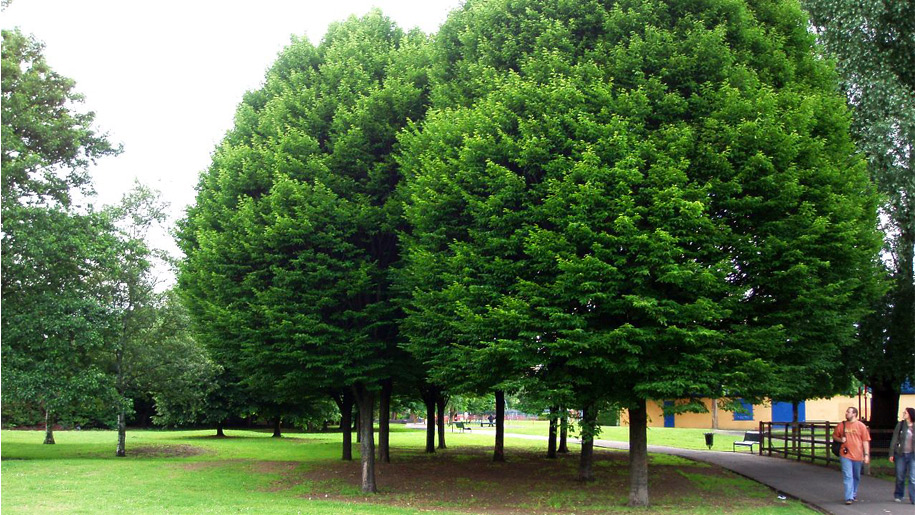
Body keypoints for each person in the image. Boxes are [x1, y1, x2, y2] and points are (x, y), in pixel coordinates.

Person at [832, 407, 871, 505]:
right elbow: (834, 435)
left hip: (858, 455)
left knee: (856, 476)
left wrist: (866, 454)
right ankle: (848, 497)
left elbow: (865, 441)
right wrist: (841, 440)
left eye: (848, 412)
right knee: (848, 475)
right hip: (845, 454)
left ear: (854, 414)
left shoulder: (861, 426)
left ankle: (853, 493)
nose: (846, 413)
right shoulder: (842, 425)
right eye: (846, 412)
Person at [889, 407, 915, 504]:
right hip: (901, 454)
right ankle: (899, 494)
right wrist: (891, 453)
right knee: (900, 476)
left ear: (910, 414)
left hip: (913, 454)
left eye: (906, 413)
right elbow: (894, 439)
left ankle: (913, 498)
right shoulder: (900, 425)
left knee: (913, 477)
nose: (904, 414)